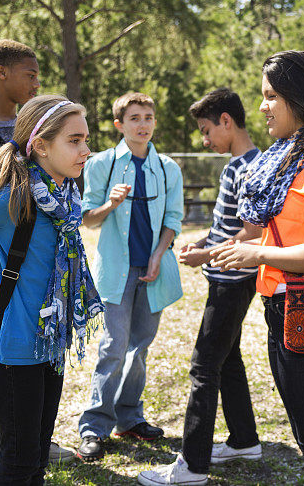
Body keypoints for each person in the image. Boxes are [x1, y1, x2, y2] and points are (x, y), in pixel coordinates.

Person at [210, 51, 304, 485]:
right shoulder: (288, 156)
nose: (262, 107)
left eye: (272, 96)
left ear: (302, 97)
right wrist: (225, 249)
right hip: (281, 309)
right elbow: (283, 235)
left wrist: (257, 255)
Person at [0, 94, 102, 485]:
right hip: (15, 349)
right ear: (40, 146)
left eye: (86, 139)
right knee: (17, 462)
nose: (86, 149)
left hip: (50, 344)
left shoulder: (65, 196)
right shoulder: (13, 198)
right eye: (74, 140)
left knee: (36, 457)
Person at [137, 88, 263, 485]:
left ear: (227, 120)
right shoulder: (235, 166)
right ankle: (244, 440)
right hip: (225, 277)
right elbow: (227, 226)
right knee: (229, 358)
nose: (205, 140)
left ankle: (191, 467)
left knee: (203, 366)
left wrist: (204, 256)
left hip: (233, 282)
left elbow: (251, 235)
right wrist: (205, 244)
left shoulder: (250, 168)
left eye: (207, 130)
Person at [76, 92, 184, 461]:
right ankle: (94, 427)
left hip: (152, 270)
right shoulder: (101, 164)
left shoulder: (168, 168)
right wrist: (111, 203)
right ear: (120, 125)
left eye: (148, 117)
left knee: (140, 348)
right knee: (114, 347)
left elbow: (173, 219)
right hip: (117, 272)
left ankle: (130, 418)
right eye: (135, 118)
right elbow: (88, 218)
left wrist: (157, 256)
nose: (143, 124)